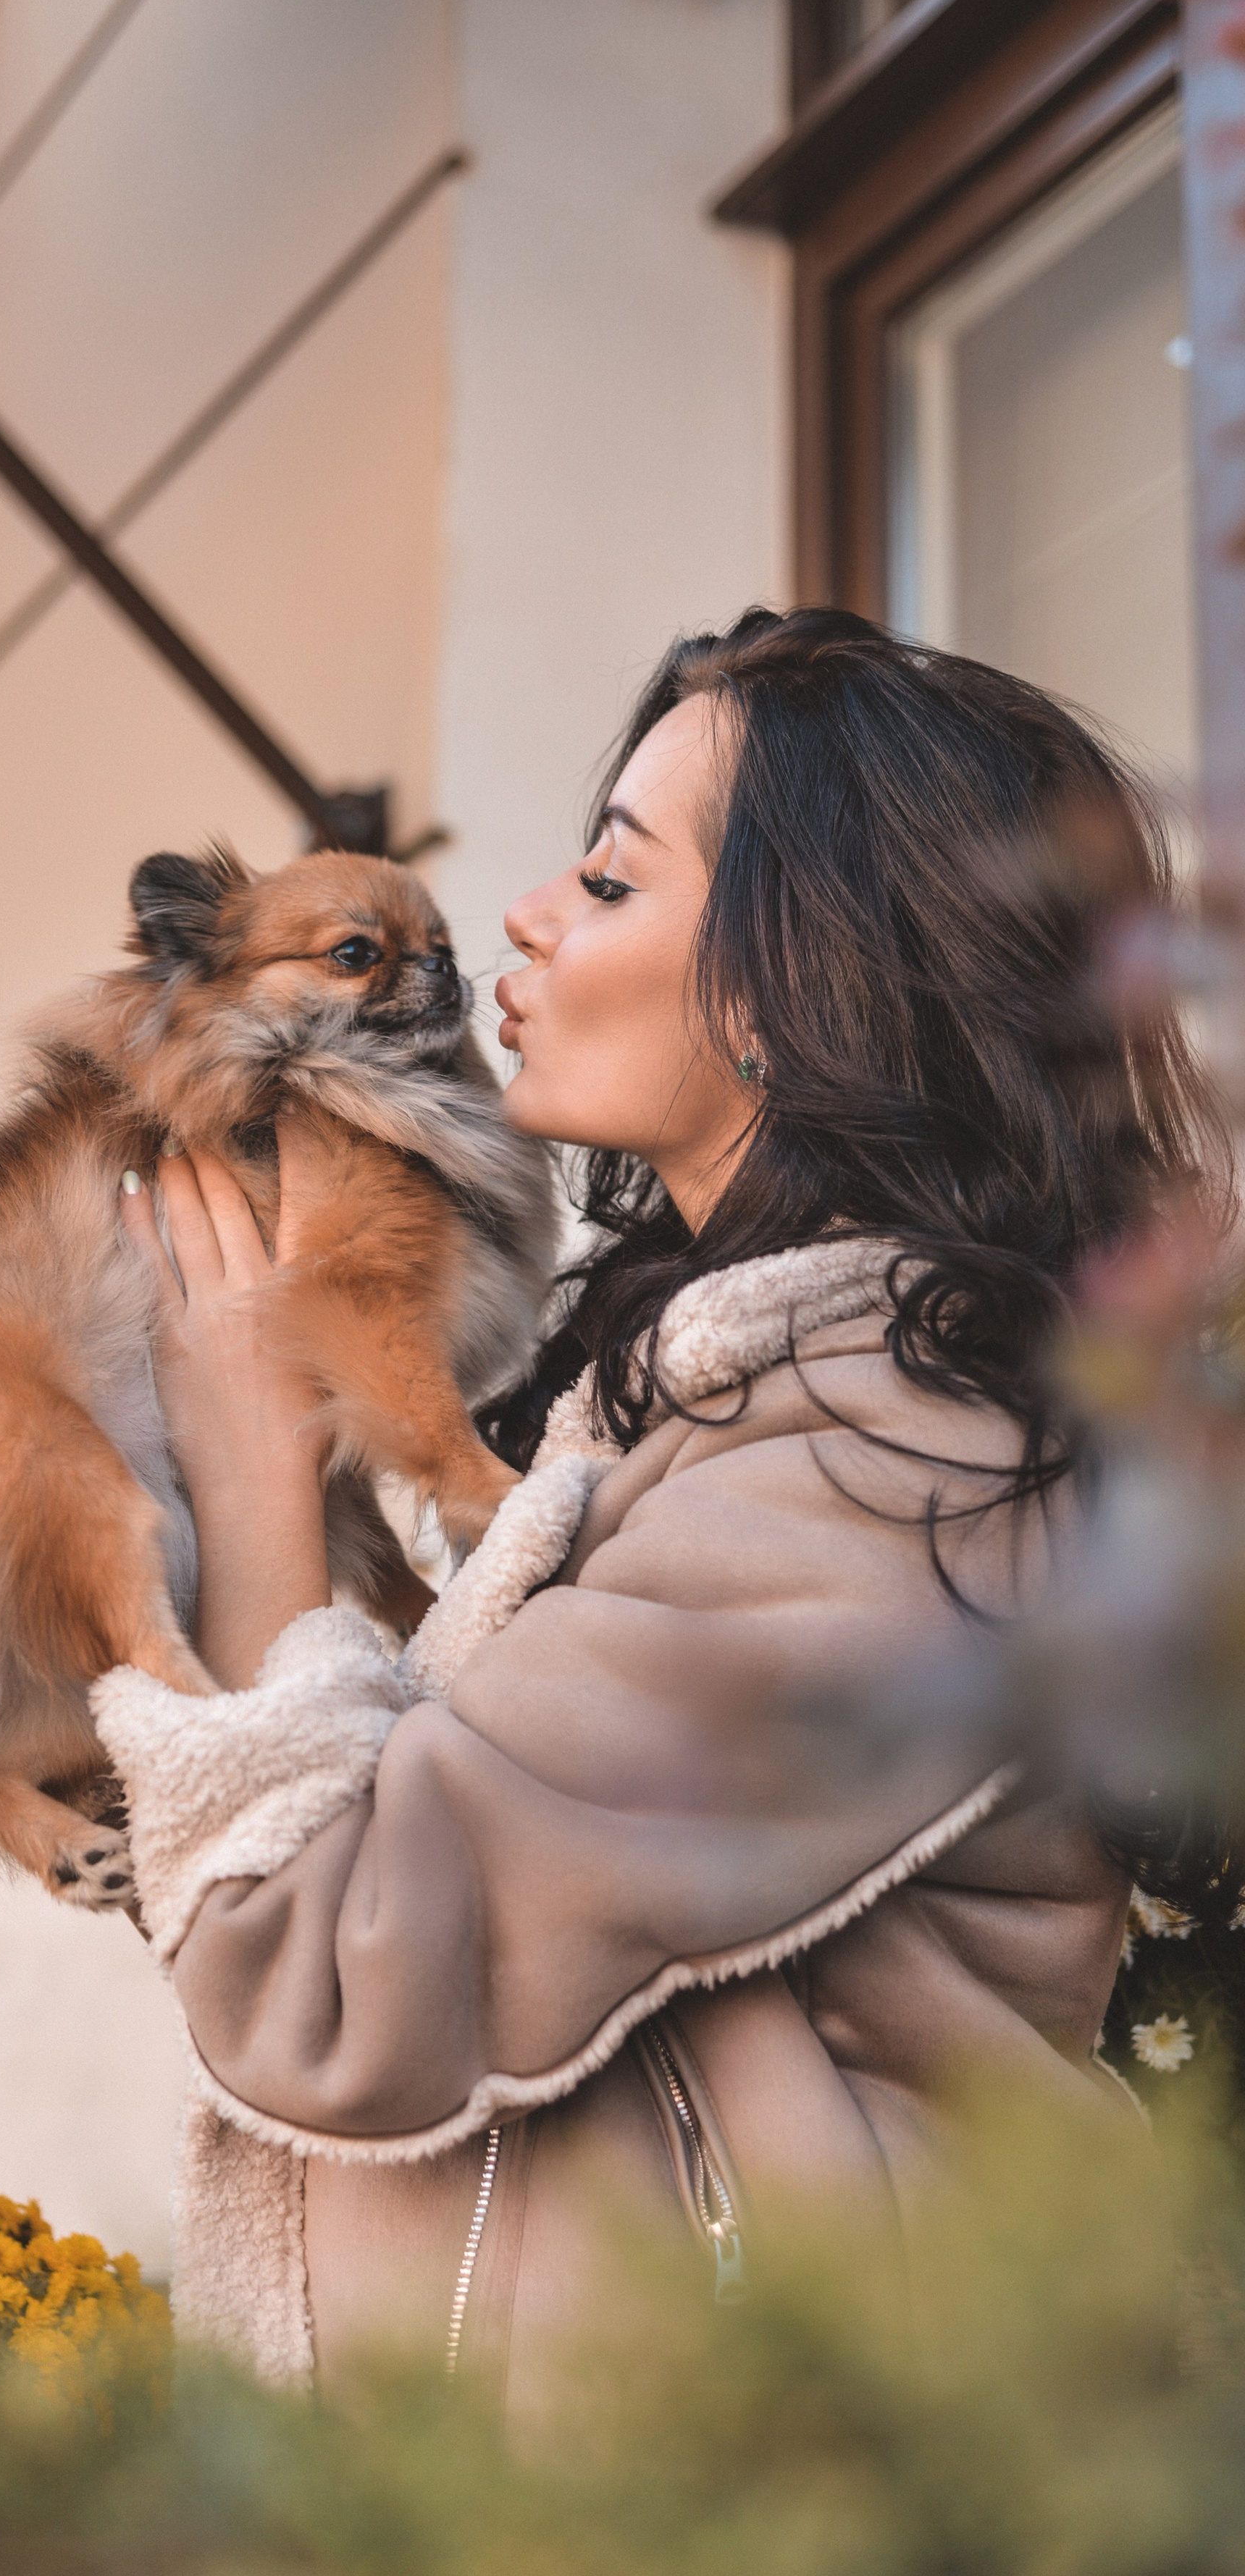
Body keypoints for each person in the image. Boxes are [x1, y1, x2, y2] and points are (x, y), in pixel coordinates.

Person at [96, 605, 1231, 2400]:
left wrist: (249, 1481)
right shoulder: (702, 1419)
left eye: (611, 883)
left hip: (749, 2542)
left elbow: (332, 1982)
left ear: (798, 984)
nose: (523, 921)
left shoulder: (885, 1454)